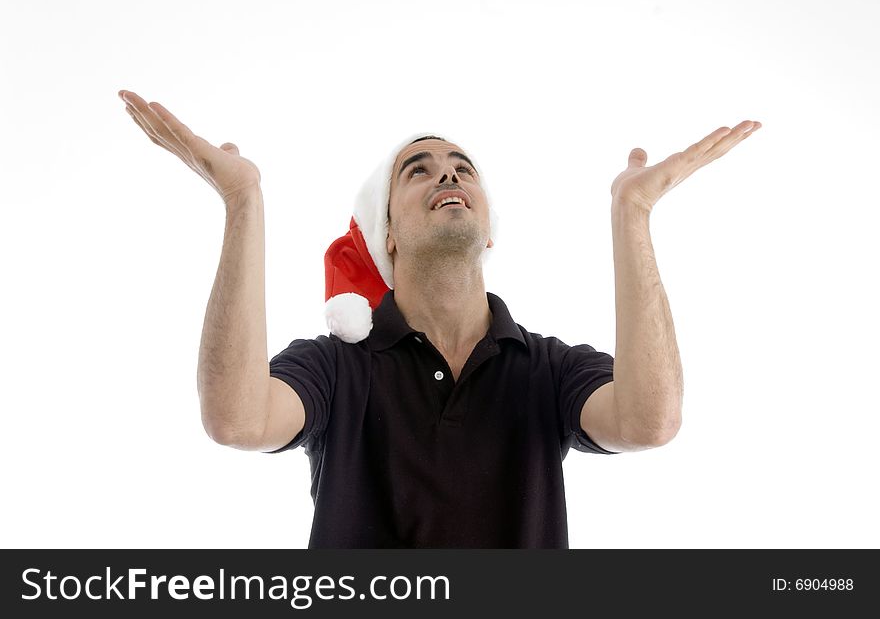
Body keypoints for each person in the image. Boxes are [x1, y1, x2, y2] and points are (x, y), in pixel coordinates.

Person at [118, 89, 761, 547]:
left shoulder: (548, 369)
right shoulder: (335, 368)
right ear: (387, 233)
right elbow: (236, 418)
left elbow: (651, 422)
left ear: (487, 230)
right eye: (416, 171)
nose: (445, 175)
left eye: (461, 168)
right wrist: (241, 201)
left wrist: (634, 214)